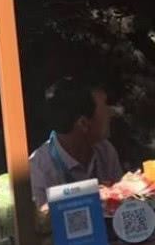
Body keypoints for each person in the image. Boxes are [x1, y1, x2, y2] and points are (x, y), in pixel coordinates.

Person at [29, 76, 122, 207]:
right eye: (105, 107)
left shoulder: (106, 151)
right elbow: (40, 218)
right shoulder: (38, 171)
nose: (111, 113)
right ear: (83, 123)